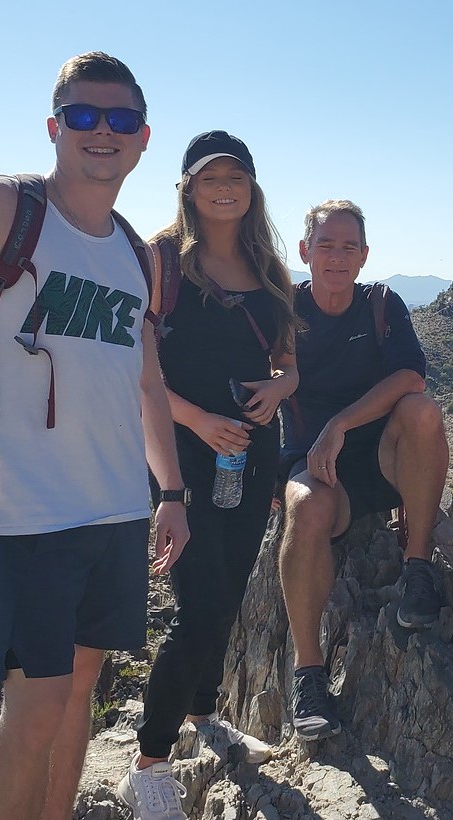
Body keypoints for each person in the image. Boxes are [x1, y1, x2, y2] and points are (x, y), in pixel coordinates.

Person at [0, 53, 190, 820]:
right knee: (32, 712)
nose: (103, 132)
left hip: (116, 512)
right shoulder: (1, 210)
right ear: (54, 126)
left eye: (120, 120)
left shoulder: (137, 255)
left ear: (142, 139)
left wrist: (170, 491)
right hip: (27, 515)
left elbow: (145, 383)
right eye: (84, 115)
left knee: (77, 703)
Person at [116, 132, 299, 819]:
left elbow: (287, 362)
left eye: (237, 178)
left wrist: (283, 390)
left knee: (226, 595)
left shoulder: (267, 266)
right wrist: (196, 422)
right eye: (210, 177)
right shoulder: (162, 263)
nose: (225, 188)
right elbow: (138, 372)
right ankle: (149, 762)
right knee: (197, 606)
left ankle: (202, 715)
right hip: (183, 453)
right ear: (189, 187)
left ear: (251, 188)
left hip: (252, 451)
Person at [278, 200, 449, 741]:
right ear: (304, 251)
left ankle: (417, 567)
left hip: (381, 458)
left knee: (423, 413)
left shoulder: (381, 304)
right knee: (305, 510)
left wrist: (342, 424)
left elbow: (410, 377)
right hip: (317, 469)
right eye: (325, 245)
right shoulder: (282, 311)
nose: (336, 256)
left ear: (364, 255)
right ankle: (309, 675)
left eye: (348, 246)